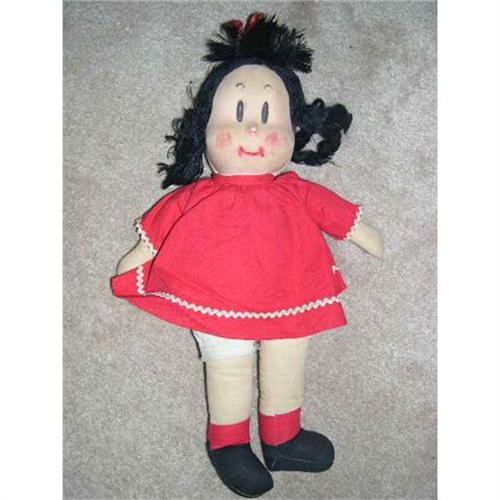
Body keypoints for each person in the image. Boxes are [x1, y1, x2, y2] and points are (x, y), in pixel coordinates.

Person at [111, 13, 383, 497]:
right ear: (205, 129)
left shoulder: (295, 189)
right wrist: (140, 253)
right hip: (213, 293)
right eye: (237, 116)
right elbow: (160, 225)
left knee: (287, 358)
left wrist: (360, 231)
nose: (253, 131)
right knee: (228, 364)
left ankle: (283, 437)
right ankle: (229, 443)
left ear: (293, 129)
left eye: (266, 118)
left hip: (290, 288)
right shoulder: (198, 194)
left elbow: (334, 212)